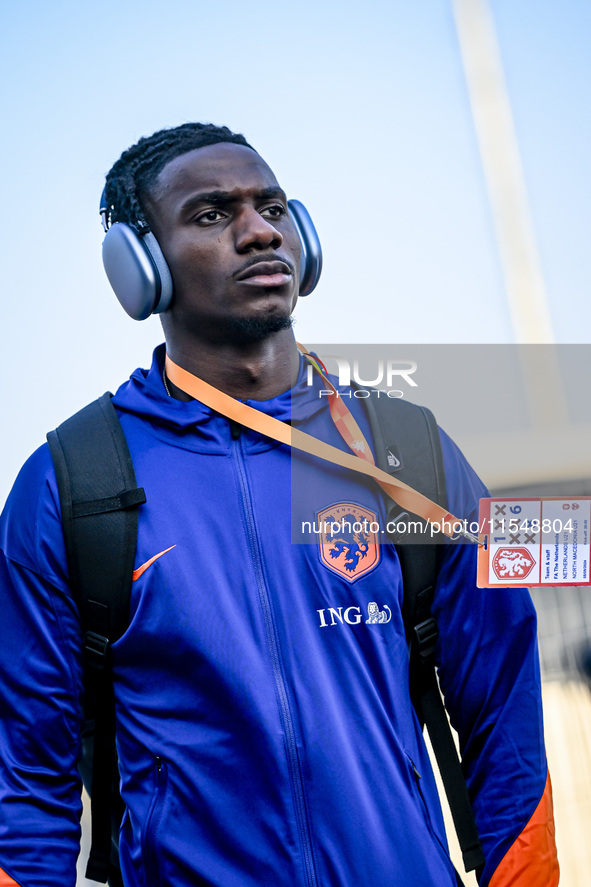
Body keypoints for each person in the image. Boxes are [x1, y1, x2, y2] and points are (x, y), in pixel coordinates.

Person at [0, 122, 558, 887]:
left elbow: (504, 716)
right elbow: (27, 777)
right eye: (211, 214)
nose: (259, 230)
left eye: (272, 207)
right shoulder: (73, 483)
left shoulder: (408, 450)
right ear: (139, 267)